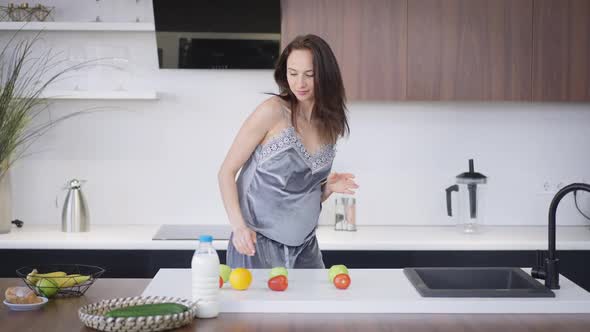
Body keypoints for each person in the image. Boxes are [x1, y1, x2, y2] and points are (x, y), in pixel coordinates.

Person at [218, 34, 359, 269]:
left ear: (326, 75)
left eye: (309, 75)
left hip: (306, 247)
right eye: (293, 73)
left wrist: (325, 189)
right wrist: (239, 227)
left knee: (316, 307)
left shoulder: (329, 124)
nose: (299, 83)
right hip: (257, 245)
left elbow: (298, 191)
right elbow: (226, 172)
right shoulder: (272, 112)